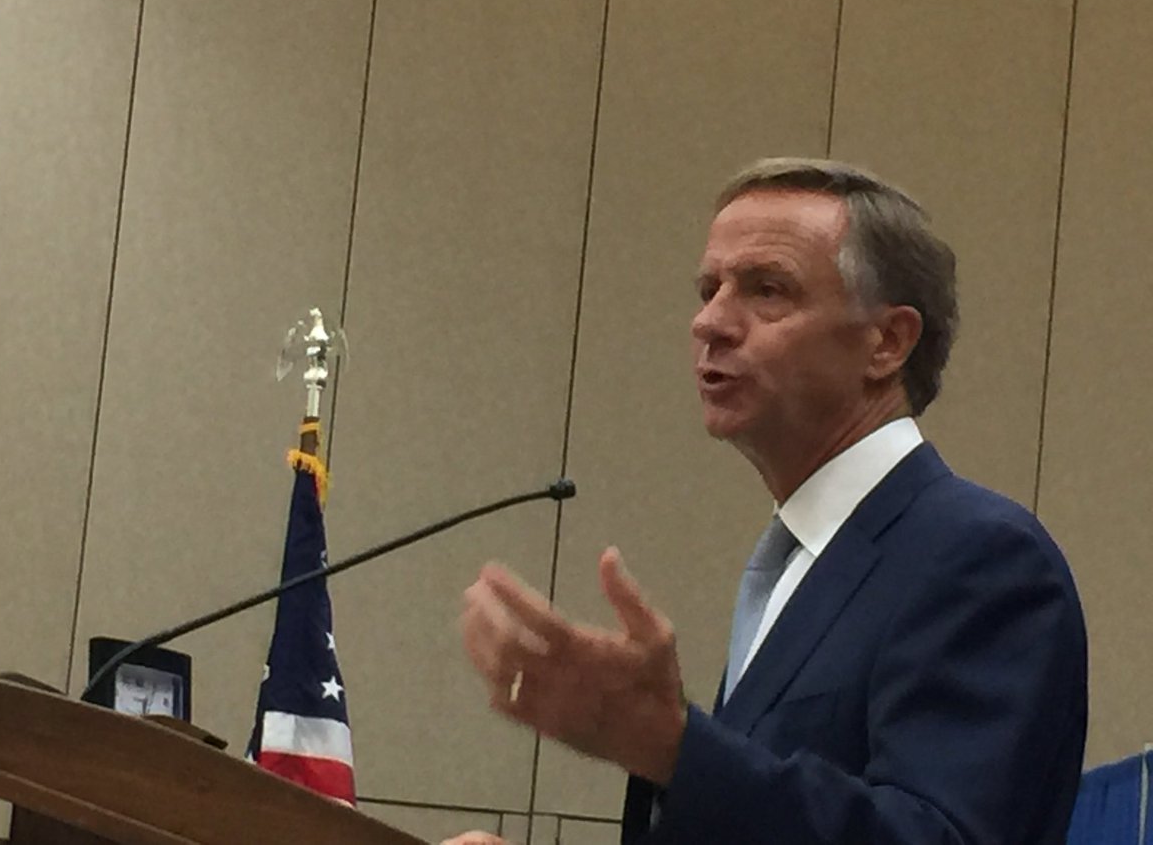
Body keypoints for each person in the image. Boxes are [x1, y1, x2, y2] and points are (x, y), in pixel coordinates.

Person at [443, 158, 1087, 845]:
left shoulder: (982, 557)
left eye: (767, 289)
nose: (710, 322)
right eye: (709, 289)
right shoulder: (802, 562)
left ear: (888, 342)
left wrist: (672, 746)